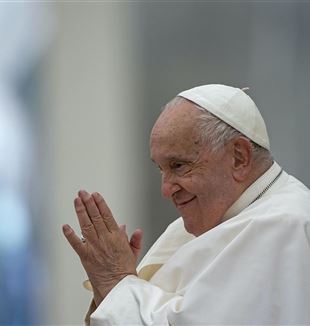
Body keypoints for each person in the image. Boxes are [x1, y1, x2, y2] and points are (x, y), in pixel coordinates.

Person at [63, 84, 310, 325]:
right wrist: (109, 286)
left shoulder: (283, 227)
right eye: (161, 169)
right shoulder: (214, 218)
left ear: (239, 157)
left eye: (178, 166)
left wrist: (116, 280)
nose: (166, 190)